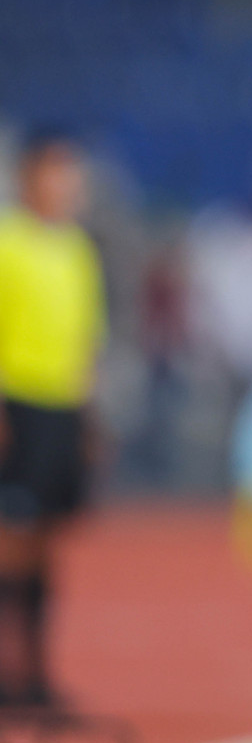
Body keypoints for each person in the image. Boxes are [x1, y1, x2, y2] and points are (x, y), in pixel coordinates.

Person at [0, 131, 107, 706]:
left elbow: (86, 343)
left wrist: (89, 420)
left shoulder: (76, 250)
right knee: (11, 539)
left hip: (62, 408)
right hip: (18, 401)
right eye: (56, 171)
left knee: (44, 540)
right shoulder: (7, 244)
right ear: (28, 176)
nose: (68, 184)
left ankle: (35, 675)